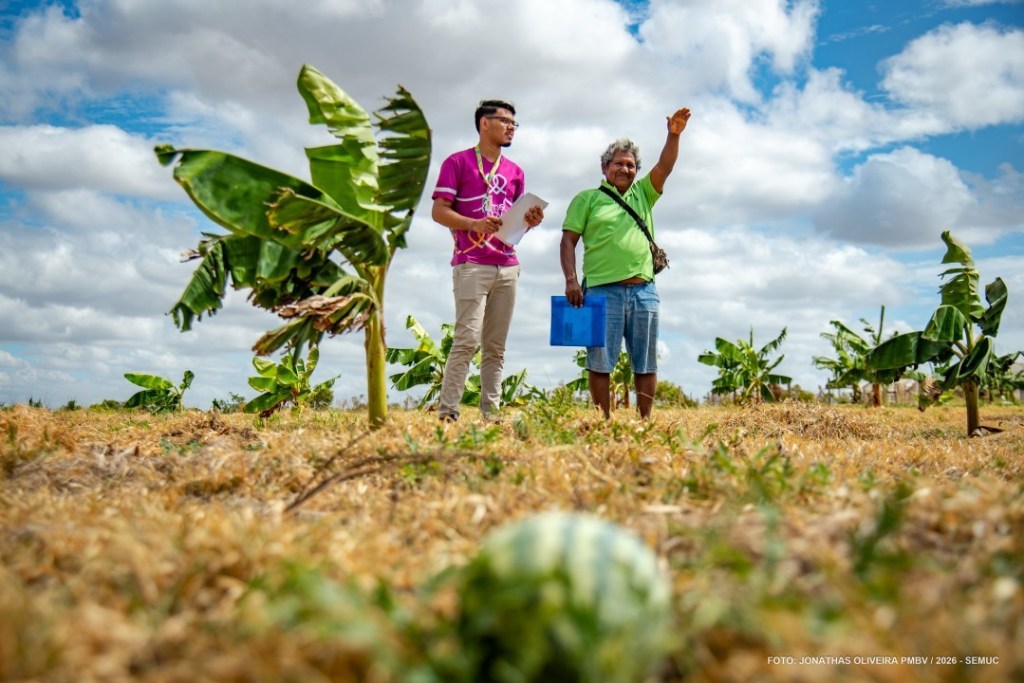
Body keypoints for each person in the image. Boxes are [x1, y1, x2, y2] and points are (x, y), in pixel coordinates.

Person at [560, 107, 692, 419]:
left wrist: (673, 135)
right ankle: (603, 422)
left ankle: (645, 423)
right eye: (618, 163)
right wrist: (571, 280)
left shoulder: (644, 193)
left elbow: (665, 166)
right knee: (599, 361)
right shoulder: (587, 199)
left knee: (646, 362)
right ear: (605, 167)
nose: (625, 169)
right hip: (601, 291)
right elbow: (567, 241)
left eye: (631, 165)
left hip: (644, 291)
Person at [431, 100, 544, 422]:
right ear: (484, 123)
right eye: (505, 121)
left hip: (508, 265)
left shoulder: (516, 172)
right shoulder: (457, 162)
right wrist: (473, 224)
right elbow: (438, 211)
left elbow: (515, 225)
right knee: (466, 340)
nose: (511, 128)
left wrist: (531, 222)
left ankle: (491, 416)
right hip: (471, 262)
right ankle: (448, 413)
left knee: (495, 347)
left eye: (514, 123)